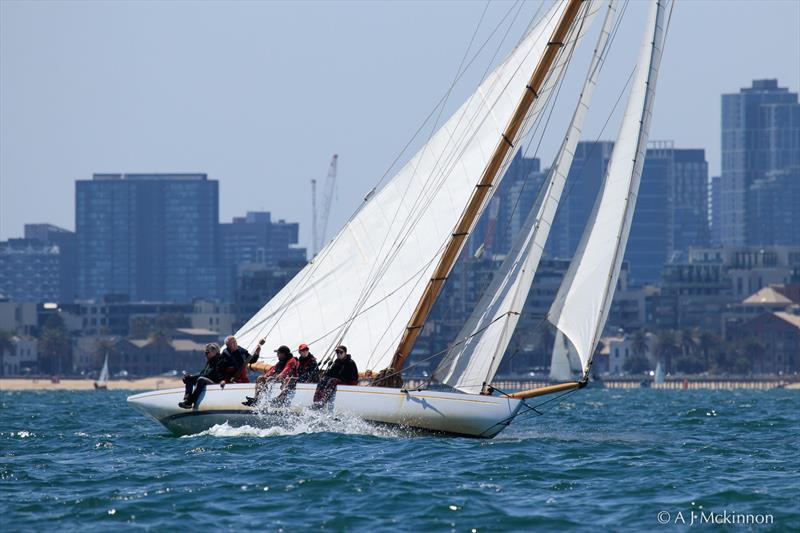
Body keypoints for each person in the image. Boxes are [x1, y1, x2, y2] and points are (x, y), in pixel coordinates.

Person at [178, 343, 235, 409]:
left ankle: (190, 402)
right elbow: (203, 373)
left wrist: (193, 377)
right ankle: (186, 401)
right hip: (208, 380)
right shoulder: (210, 361)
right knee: (189, 379)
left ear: (215, 351)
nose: (205, 355)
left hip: (216, 383)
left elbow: (210, 375)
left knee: (201, 379)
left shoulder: (220, 360)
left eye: (207, 352)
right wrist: (190, 378)